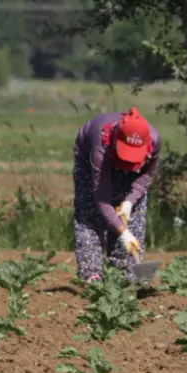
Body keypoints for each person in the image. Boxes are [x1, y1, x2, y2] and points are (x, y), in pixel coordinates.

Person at [73, 106, 161, 283]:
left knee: (134, 214)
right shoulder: (101, 146)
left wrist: (129, 202)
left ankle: (125, 275)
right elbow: (102, 198)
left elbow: (146, 176)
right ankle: (92, 275)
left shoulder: (154, 141)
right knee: (90, 214)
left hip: (124, 156)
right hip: (91, 156)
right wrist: (124, 233)